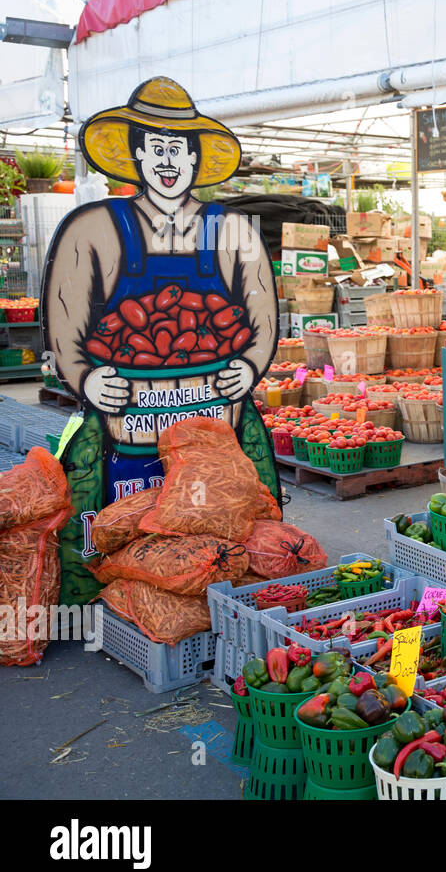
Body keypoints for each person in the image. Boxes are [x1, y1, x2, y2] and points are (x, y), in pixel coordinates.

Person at [42, 76, 279, 604]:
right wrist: (85, 377)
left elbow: (261, 318)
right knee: (110, 530)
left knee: (233, 530)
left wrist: (250, 365)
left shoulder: (231, 228)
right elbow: (65, 319)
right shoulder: (96, 226)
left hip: (220, 419)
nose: (168, 160)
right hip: (119, 420)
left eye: (179, 149)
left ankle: (228, 601)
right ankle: (112, 604)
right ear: (138, 157)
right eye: (157, 149)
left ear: (195, 160)